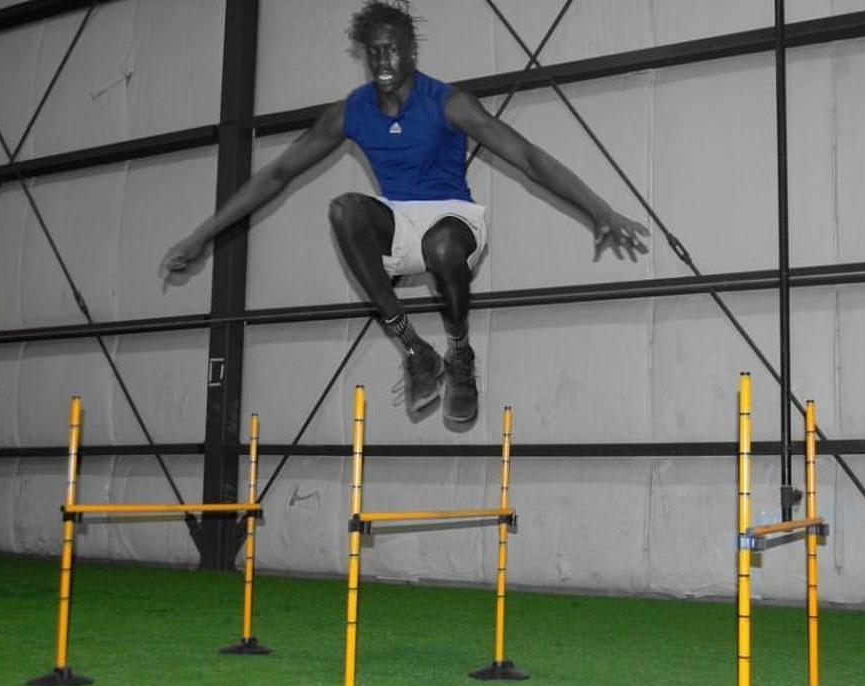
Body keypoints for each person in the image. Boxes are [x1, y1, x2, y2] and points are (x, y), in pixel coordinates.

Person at [161, 0, 648, 426]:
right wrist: (202, 234)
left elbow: (528, 158)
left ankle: (459, 352)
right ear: (363, 54)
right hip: (398, 225)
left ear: (411, 50)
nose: (383, 60)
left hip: (456, 222)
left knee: (441, 244)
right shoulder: (350, 112)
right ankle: (415, 348)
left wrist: (598, 209)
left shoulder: (446, 102)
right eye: (373, 51)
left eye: (391, 49)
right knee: (343, 209)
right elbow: (278, 174)